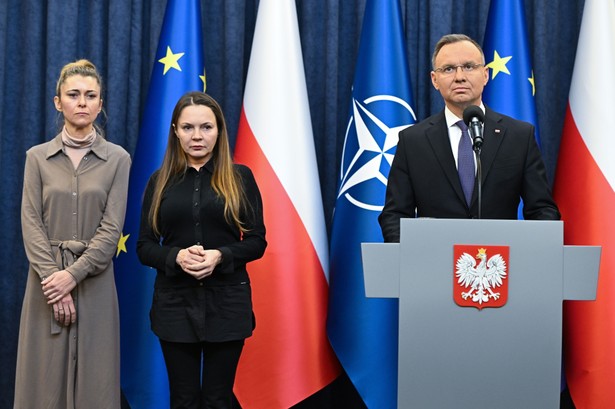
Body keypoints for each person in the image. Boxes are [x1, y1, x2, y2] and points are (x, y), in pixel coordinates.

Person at [137, 91, 267, 409]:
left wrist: (221, 255)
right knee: (183, 398)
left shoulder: (240, 178)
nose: (197, 136)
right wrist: (175, 256)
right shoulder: (159, 181)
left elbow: (257, 241)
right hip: (174, 304)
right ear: (175, 131)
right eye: (188, 128)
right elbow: (144, 247)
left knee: (217, 398)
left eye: (206, 127)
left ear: (219, 131)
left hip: (227, 304)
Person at [14, 59, 131, 408]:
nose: (82, 102)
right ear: (58, 102)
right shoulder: (36, 158)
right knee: (43, 380)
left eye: (90, 95)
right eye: (74, 94)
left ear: (100, 103)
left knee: (96, 381)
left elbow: (111, 232)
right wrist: (55, 281)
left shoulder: (118, 159)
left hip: (95, 285)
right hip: (45, 286)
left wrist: (73, 276)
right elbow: (31, 222)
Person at [379, 34, 560, 241]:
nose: (459, 77)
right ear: (434, 80)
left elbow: (542, 211)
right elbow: (395, 215)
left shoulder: (519, 136)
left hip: (500, 265)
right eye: (448, 69)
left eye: (468, 67)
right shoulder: (413, 141)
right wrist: (410, 257)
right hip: (433, 265)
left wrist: (533, 256)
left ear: (485, 74)